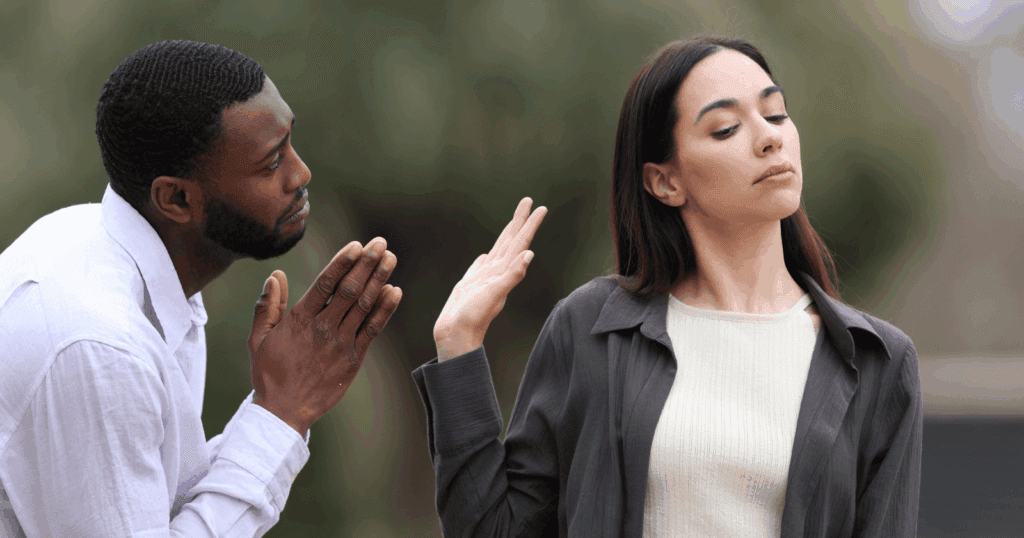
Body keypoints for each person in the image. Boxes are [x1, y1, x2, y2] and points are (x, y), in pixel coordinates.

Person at [414, 35, 922, 538]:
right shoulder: (592, 330)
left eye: (776, 114)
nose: (769, 138)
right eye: (726, 128)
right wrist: (459, 346)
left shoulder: (877, 361)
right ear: (665, 182)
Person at [0, 40, 403, 537]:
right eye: (271, 163)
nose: (301, 173)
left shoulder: (110, 249)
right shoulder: (99, 347)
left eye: (289, 143)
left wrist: (275, 404)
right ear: (176, 199)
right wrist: (282, 413)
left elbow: (153, 501)